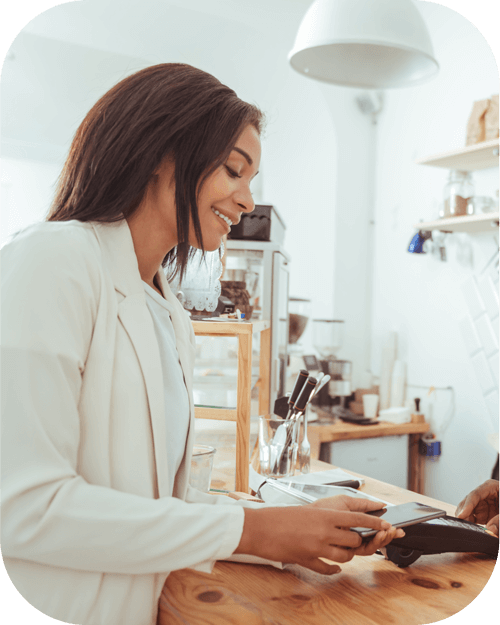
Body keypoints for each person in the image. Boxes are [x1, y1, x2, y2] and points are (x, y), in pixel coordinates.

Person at [0, 63, 403, 625]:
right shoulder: (52, 261)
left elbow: (164, 507)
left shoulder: (168, 312)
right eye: (234, 171)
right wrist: (257, 529)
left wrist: (290, 532)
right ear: (163, 156)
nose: (246, 199)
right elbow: (24, 508)